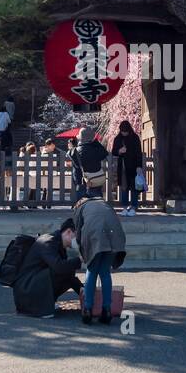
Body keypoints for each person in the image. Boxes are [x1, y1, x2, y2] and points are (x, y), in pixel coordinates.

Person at [12, 218, 82, 317]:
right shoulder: (48, 242)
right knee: (62, 269)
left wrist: (84, 293)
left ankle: (46, 304)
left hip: (31, 285)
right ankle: (39, 308)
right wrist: (80, 260)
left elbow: (68, 276)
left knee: (68, 269)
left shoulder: (57, 243)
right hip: (27, 289)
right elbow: (58, 267)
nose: (79, 241)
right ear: (68, 232)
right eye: (78, 237)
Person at [74, 196, 125, 324]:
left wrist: (82, 251)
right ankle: (106, 309)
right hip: (114, 237)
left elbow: (79, 232)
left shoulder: (81, 208)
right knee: (105, 272)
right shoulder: (105, 204)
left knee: (91, 270)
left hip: (95, 237)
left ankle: (88, 309)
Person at [111, 119, 145, 216]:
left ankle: (134, 206)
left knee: (134, 187)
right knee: (124, 188)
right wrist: (119, 151)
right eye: (122, 131)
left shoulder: (135, 138)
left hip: (134, 166)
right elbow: (113, 151)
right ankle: (125, 207)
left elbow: (139, 153)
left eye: (125, 131)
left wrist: (139, 166)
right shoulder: (118, 138)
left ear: (129, 130)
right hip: (123, 167)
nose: (124, 133)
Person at [71, 126, 108, 203]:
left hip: (82, 182)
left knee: (82, 207)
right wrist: (95, 142)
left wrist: (77, 182)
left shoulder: (74, 152)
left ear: (80, 138)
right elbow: (104, 153)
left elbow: (75, 171)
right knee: (97, 206)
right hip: (95, 181)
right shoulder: (96, 149)